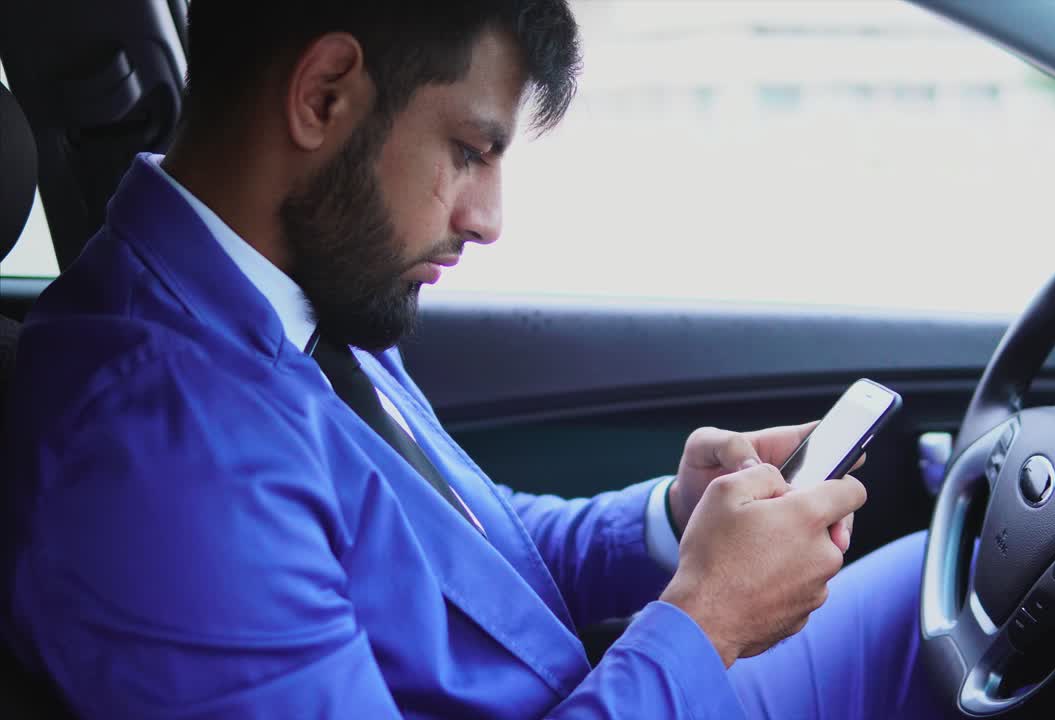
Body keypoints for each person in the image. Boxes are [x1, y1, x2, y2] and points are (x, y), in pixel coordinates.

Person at [2, 2, 952, 717]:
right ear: (324, 95)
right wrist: (707, 624)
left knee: (924, 591)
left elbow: (466, 555)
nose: (488, 219)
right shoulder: (161, 465)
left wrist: (674, 519)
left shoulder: (287, 291)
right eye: (468, 150)